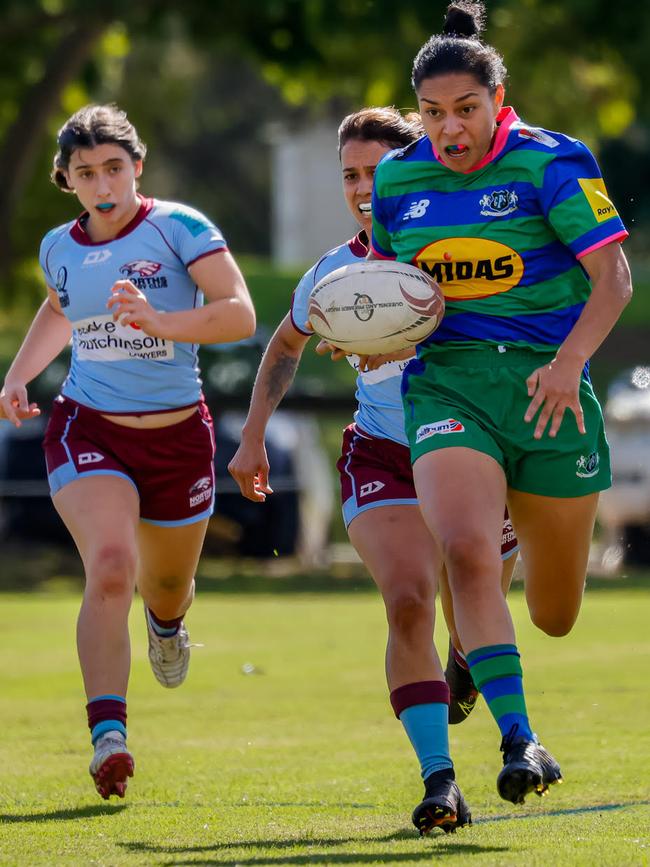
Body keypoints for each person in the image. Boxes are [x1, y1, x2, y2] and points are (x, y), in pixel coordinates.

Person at [370, 1, 632, 808]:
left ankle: (487, 657)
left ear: (498, 98)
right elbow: (390, 297)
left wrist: (567, 365)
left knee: (555, 613)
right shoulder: (398, 178)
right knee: (468, 552)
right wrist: (369, 335)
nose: (448, 130)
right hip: (449, 384)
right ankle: (520, 736)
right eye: (433, 114)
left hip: (550, 392)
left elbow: (614, 278)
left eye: (466, 110)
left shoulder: (551, 163)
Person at [228, 106, 518, 835]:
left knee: (472, 603)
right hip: (383, 453)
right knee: (408, 602)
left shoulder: (460, 250)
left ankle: (464, 665)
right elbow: (287, 344)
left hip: (471, 446)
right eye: (350, 175)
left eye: (376, 171)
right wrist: (253, 436)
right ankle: (439, 780)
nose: (363, 188)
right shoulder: (334, 273)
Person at [0, 104, 256, 800]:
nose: (103, 181)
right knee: (111, 566)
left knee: (165, 587)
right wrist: (20, 373)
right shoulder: (59, 245)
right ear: (68, 180)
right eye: (86, 172)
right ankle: (108, 736)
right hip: (89, 427)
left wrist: (160, 320)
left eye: (114, 166)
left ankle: (167, 625)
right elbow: (61, 305)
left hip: (178, 438)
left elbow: (239, 311)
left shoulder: (180, 227)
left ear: (137, 166)